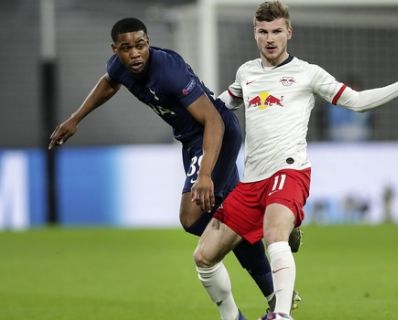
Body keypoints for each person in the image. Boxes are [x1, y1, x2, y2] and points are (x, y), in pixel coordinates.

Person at [192, 1, 398, 319]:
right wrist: (186, 102)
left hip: (289, 171)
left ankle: (281, 315)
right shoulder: (247, 72)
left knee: (274, 236)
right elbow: (219, 105)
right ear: (254, 34)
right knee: (203, 256)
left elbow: (356, 102)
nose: (270, 38)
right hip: (251, 181)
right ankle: (232, 316)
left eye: (277, 31)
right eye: (263, 31)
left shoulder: (308, 74)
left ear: (289, 32)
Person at [47, 17, 285, 317]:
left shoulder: (168, 71)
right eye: (127, 48)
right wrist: (75, 118)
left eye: (141, 45)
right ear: (115, 49)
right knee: (228, 218)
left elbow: (212, 120)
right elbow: (109, 83)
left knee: (191, 216)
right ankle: (274, 292)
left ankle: (255, 231)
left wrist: (206, 174)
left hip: (215, 135)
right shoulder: (121, 66)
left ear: (148, 43)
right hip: (190, 141)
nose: (135, 53)